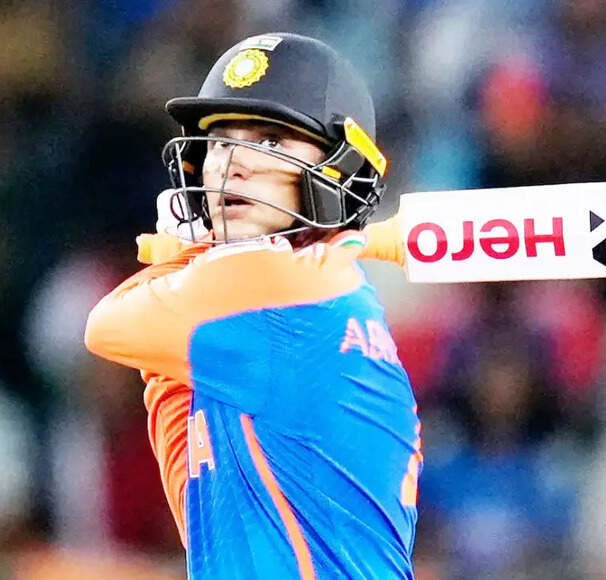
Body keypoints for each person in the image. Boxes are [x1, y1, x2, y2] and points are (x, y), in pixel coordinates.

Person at [84, 33, 417, 579]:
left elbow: (105, 327)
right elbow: (202, 522)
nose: (233, 164)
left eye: (270, 139)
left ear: (339, 166)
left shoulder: (274, 286)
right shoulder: (329, 295)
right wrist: (192, 267)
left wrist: (185, 257)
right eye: (220, 142)